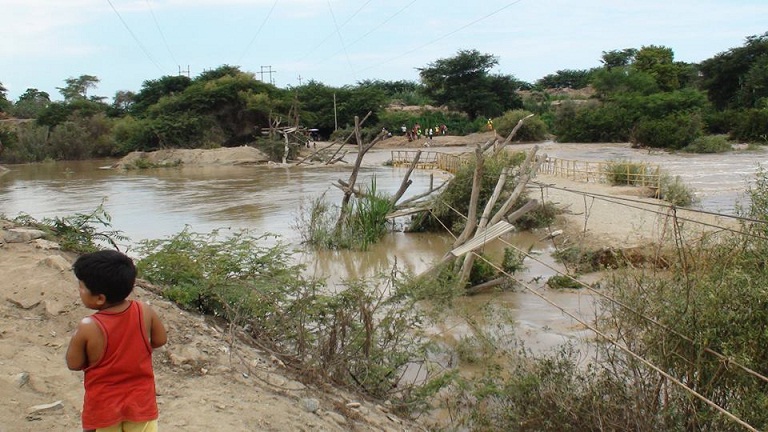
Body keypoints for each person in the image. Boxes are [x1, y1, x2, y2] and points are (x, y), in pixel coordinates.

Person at [66, 250, 168, 432]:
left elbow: (74, 363)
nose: (79, 291)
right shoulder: (144, 310)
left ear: (99, 298)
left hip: (104, 409)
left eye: (81, 287)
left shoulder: (88, 326)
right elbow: (160, 340)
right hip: (141, 404)